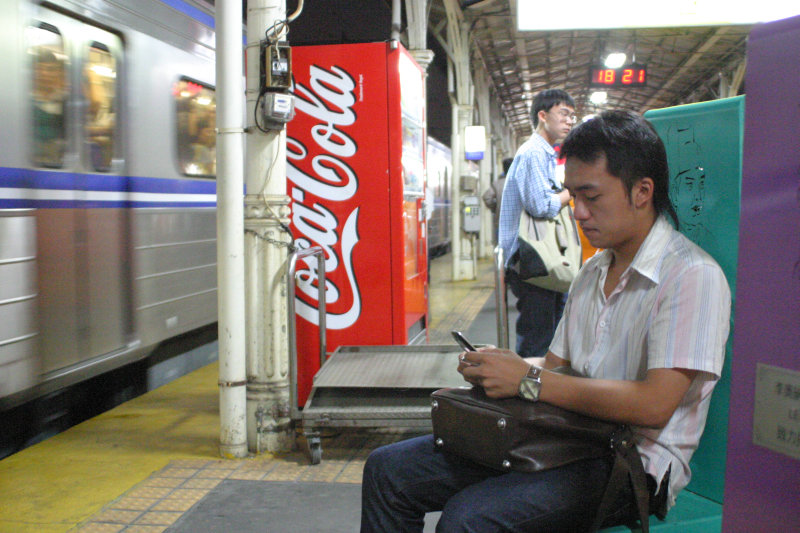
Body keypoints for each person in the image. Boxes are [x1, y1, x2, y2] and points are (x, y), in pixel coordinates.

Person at [361, 110, 731, 532]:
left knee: (469, 520)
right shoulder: (592, 272)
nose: (578, 212)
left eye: (592, 197)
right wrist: (504, 365)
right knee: (387, 470)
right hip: (569, 435)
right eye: (573, 196)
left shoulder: (691, 276)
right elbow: (554, 365)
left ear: (642, 191)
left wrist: (527, 381)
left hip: (629, 462)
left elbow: (654, 404)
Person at [498, 89, 577, 358]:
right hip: (532, 260)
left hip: (541, 260)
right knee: (538, 336)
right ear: (543, 116)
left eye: (572, 116)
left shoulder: (544, 155)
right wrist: (571, 192)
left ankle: (540, 391)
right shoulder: (533, 153)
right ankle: (526, 394)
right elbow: (540, 206)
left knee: (549, 332)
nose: (569, 121)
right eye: (564, 114)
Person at [482, 157, 514, 243]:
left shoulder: (498, 184)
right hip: (520, 226)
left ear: (504, 169)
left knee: (503, 249)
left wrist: (495, 207)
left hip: (502, 223)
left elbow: (487, 197)